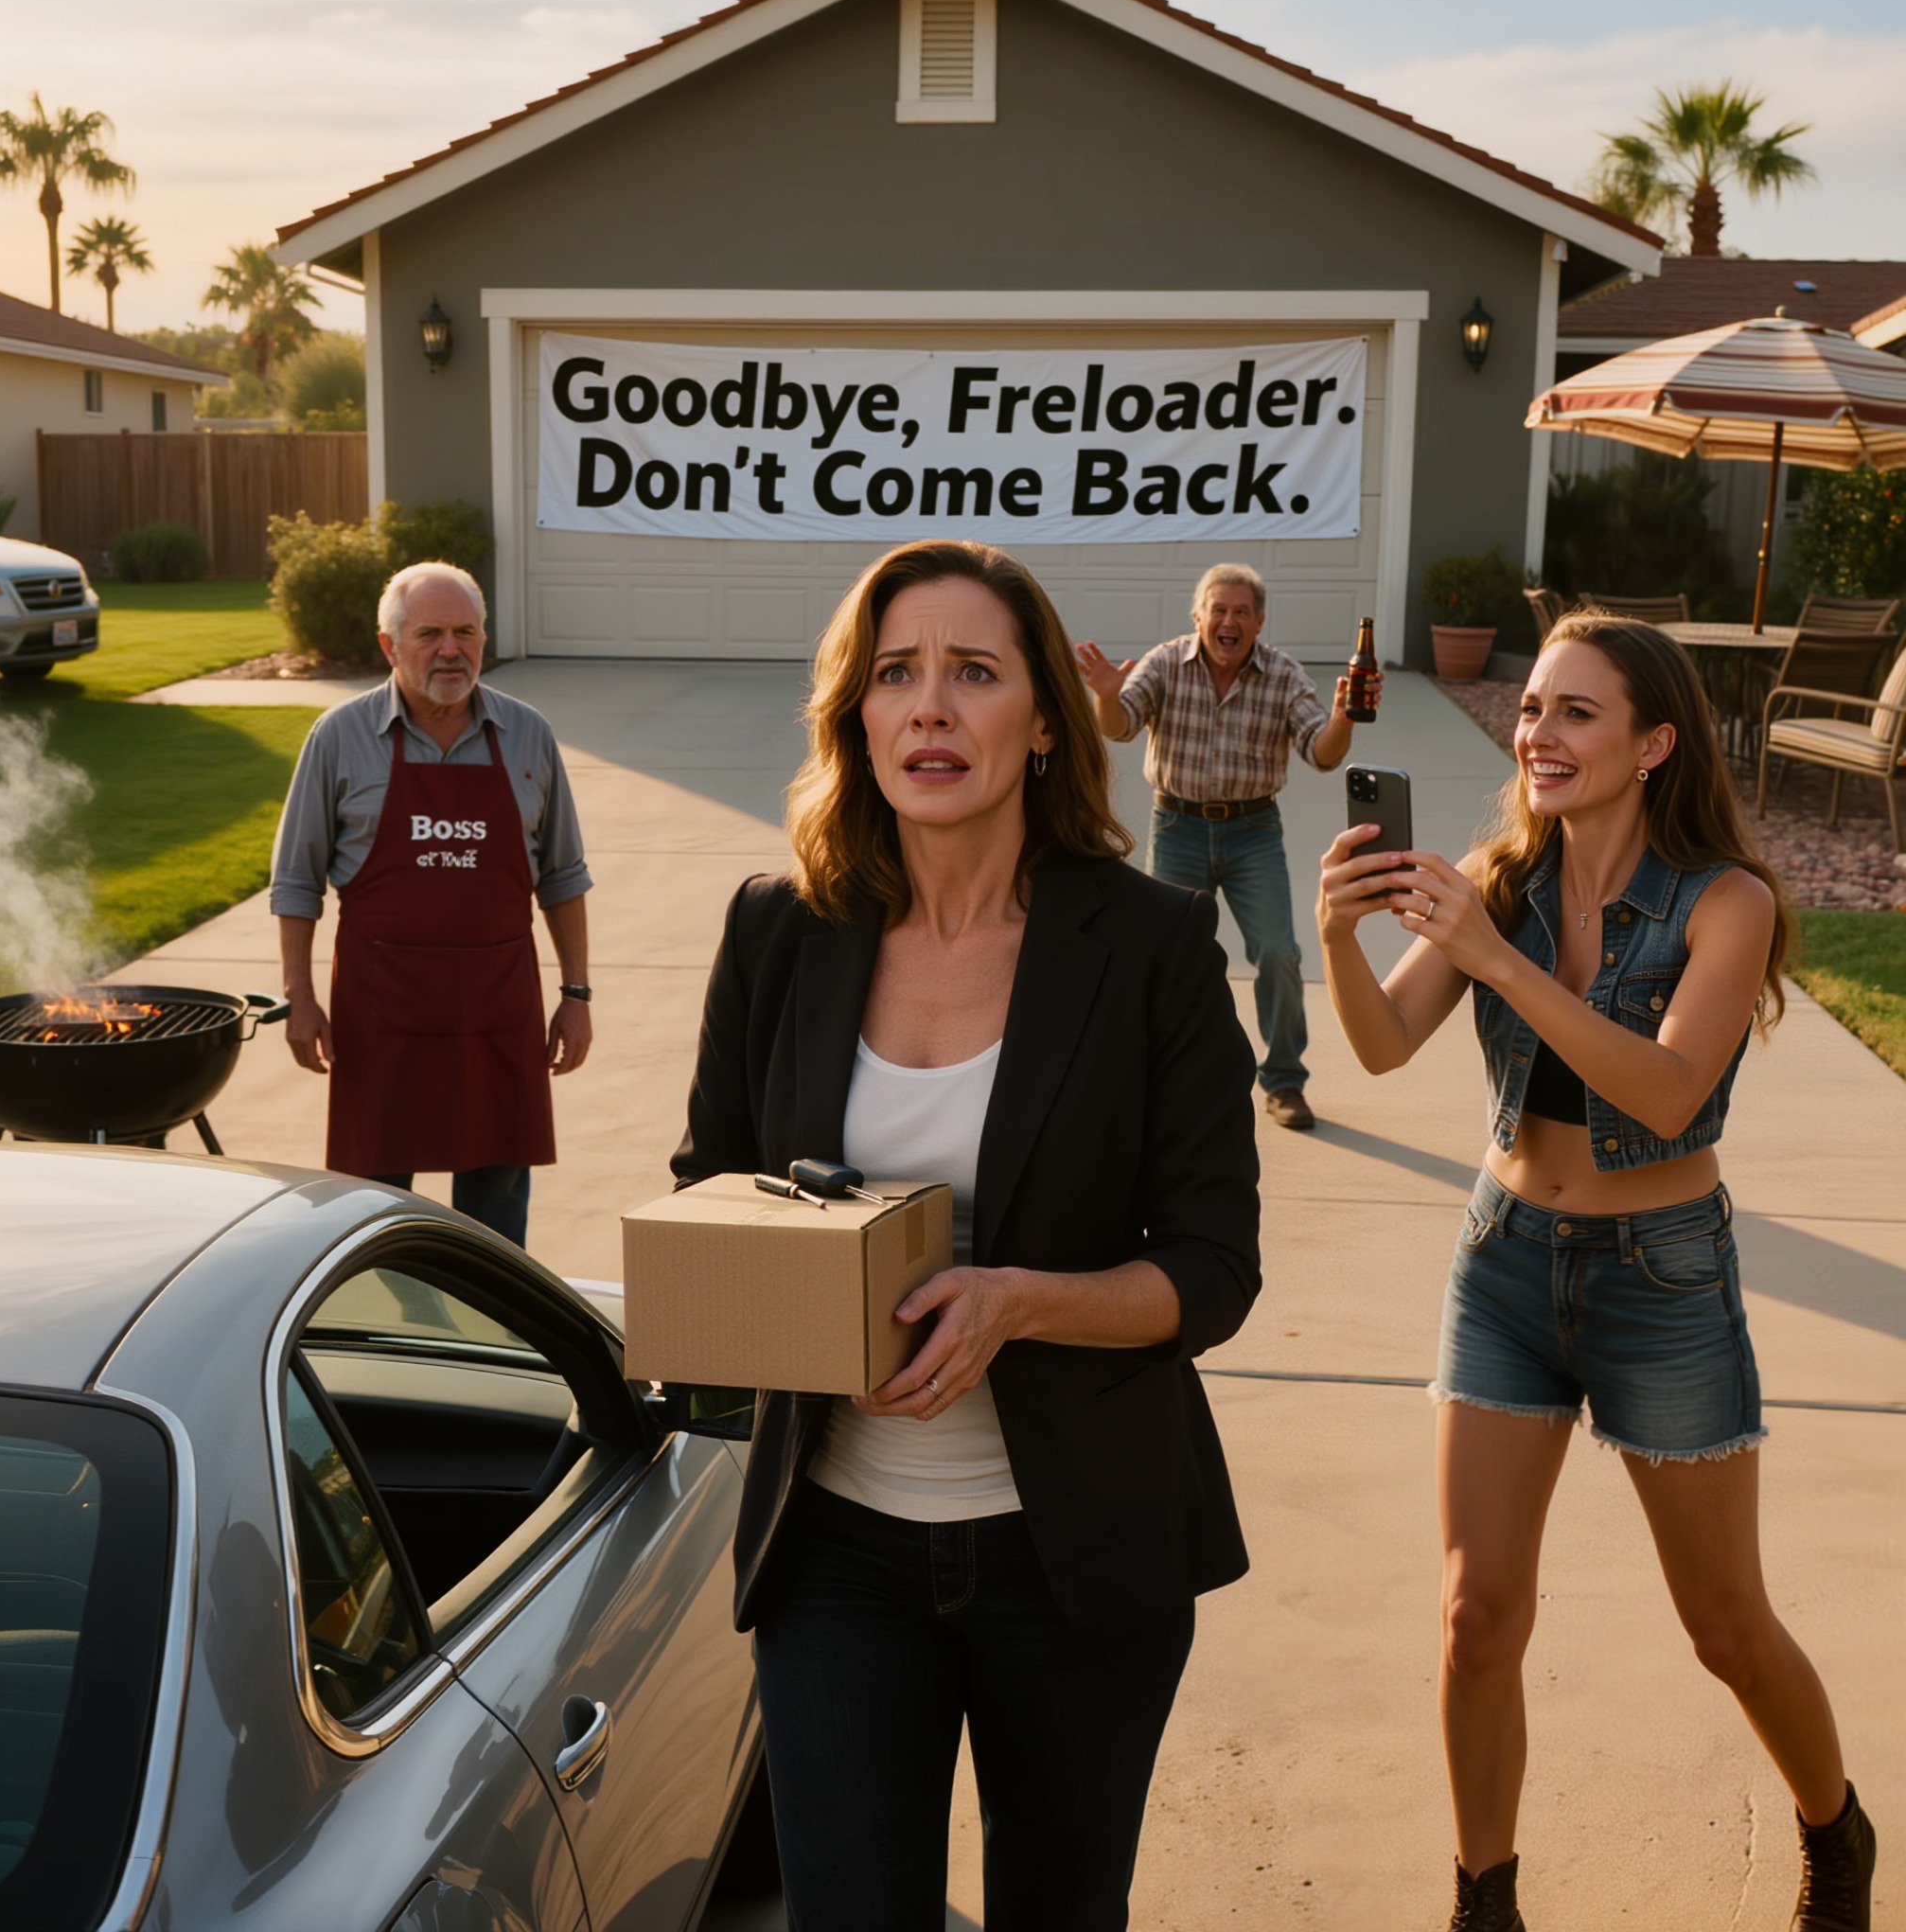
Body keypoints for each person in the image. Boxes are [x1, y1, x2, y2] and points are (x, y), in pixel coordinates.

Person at [672, 539, 1261, 1929]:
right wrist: (791, 1294)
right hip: (836, 1552)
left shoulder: (1155, 946)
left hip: (1079, 1558)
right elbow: (713, 1181)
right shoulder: (778, 931)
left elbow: (1214, 1268)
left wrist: (1015, 1302)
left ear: (1045, 722)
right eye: (895, 675)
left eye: (973, 673)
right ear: (857, 717)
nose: (929, 706)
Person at [1315, 613, 1875, 1932]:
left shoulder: (1727, 904)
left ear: (1652, 743)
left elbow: (1673, 1092)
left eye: (1575, 712)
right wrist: (1342, 932)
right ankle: (1485, 1898)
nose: (1538, 735)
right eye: (1532, 712)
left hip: (1661, 1279)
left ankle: (1834, 1826)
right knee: (1474, 1618)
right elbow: (1386, 1045)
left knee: (1726, 1626)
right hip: (1503, 1263)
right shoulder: (1498, 877)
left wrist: (1494, 956)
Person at [270, 561, 593, 1247]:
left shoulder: (528, 734)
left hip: (496, 1006)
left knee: (498, 1190)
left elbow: (562, 876)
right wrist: (299, 997)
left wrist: (577, 994)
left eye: (465, 632)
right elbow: (296, 883)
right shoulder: (340, 737)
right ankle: (393, 1328)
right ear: (390, 646)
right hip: (382, 1009)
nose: (451, 649)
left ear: (484, 638)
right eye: (429, 634)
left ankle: (498, 1327)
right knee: (374, 1202)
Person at [1075, 562, 1377, 1131]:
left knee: (1279, 955)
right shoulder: (1167, 662)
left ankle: (1284, 1080)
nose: (1229, 620)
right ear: (1199, 617)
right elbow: (1119, 726)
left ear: (1259, 622)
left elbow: (1323, 752)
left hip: (1253, 832)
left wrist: (1342, 719)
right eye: (1219, 609)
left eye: (1241, 611)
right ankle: (1155, 1076)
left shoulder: (1285, 675)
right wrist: (1108, 697)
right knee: (1160, 958)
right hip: (1178, 825)